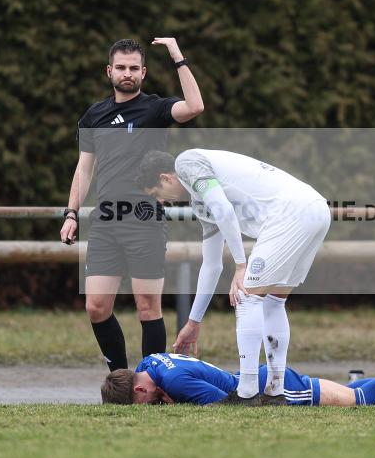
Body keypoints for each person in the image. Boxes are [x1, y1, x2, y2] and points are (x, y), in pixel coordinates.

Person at [135, 149, 331, 405]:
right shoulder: (200, 202)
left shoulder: (186, 163)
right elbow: (211, 265)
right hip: (315, 210)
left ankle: (247, 392)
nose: (161, 202)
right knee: (274, 301)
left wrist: (241, 266)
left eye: (156, 194)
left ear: (166, 178)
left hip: (291, 213)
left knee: (246, 297)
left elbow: (225, 211)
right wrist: (194, 322)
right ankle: (275, 392)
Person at [60, 38, 204, 371]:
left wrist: (177, 55)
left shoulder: (155, 109)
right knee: (96, 307)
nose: (128, 73)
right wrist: (71, 213)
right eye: (121, 68)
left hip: (144, 219)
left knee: (147, 308)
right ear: (109, 71)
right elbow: (84, 169)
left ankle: (151, 383)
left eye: (134, 68)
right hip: (105, 222)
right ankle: (122, 381)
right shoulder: (94, 115)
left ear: (144, 72)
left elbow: (195, 106)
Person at [101, 353, 375, 406]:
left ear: (139, 388)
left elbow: (228, 407)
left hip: (271, 390)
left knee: (355, 401)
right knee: (350, 392)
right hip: (261, 377)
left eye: (142, 402)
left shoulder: (174, 383)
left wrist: (175, 401)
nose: (149, 405)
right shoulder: (150, 363)